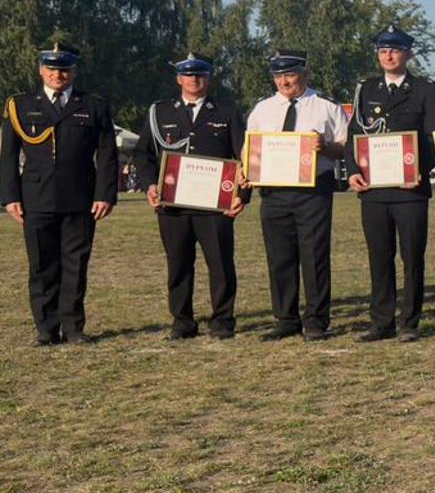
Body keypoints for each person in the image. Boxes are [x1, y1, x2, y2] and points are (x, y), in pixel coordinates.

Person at [1, 43, 118, 346]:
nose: (58, 75)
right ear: (41, 70)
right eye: (51, 69)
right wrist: (10, 196)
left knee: (75, 265)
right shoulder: (20, 106)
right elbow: (8, 156)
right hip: (35, 198)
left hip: (81, 198)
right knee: (42, 266)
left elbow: (107, 155)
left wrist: (105, 194)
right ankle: (46, 328)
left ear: (73, 72)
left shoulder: (93, 105)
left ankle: (73, 327)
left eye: (64, 69)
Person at [132, 53, 248, 340]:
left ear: (209, 78)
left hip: (216, 207)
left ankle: (222, 320)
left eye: (200, 74)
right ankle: (182, 321)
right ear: (178, 79)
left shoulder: (226, 112)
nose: (194, 79)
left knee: (220, 265)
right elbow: (144, 154)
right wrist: (149, 185)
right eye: (188, 74)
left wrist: (242, 194)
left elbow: (244, 158)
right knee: (178, 264)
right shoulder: (160, 112)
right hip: (173, 206)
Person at [345, 24, 435, 342]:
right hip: (374, 190)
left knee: (412, 257)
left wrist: (420, 170)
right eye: (383, 50)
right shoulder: (366, 89)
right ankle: (381, 321)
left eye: (395, 50)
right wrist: (352, 170)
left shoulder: (426, 89)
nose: (388, 56)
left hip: (410, 191)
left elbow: (433, 137)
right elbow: (353, 134)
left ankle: (409, 323)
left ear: (408, 54)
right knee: (379, 257)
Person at [244, 49, 350, 341]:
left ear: (304, 74)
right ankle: (285, 318)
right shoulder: (262, 109)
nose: (284, 81)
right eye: (278, 76)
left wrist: (324, 146)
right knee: (279, 256)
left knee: (314, 254)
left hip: (313, 190)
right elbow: (249, 149)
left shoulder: (326, 106)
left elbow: (345, 148)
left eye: (290, 74)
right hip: (273, 191)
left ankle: (316, 320)